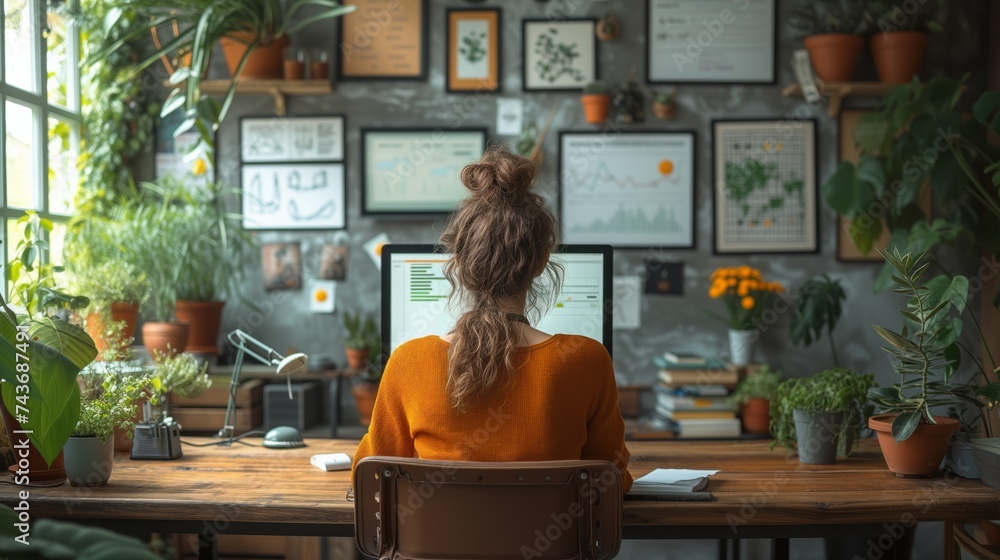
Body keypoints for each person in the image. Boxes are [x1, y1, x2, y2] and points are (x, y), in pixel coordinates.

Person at [351, 148, 633, 492]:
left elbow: (368, 477)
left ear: (459, 260)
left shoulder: (409, 362)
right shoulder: (587, 360)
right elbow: (613, 480)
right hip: (555, 545)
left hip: (435, 547)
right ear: (543, 261)